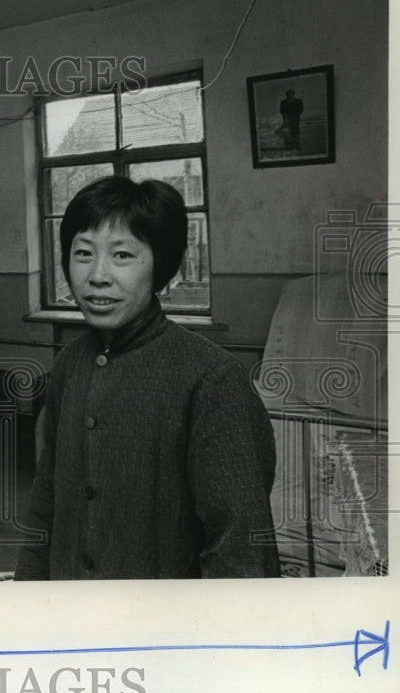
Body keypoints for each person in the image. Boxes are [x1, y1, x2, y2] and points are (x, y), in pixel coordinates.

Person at [16, 176, 280, 580]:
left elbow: (239, 552)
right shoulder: (68, 365)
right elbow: (45, 505)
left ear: (161, 267)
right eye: (83, 253)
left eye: (122, 255)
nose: (98, 275)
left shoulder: (212, 379)